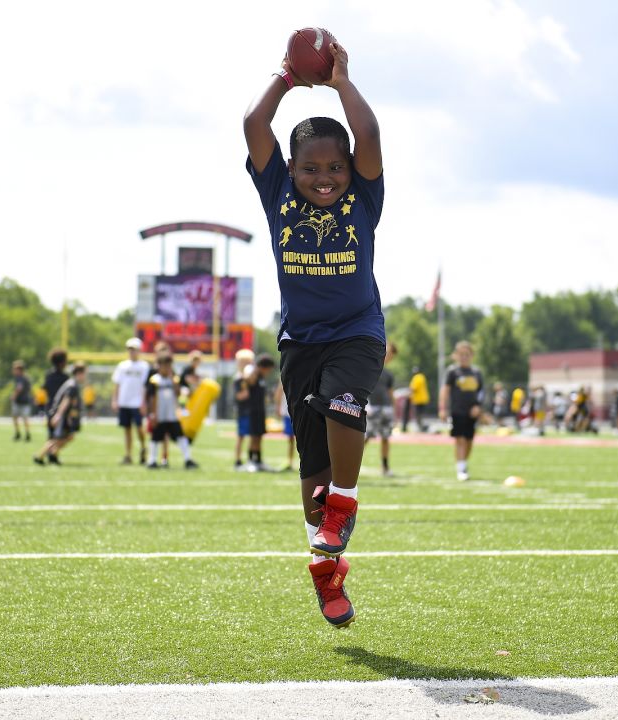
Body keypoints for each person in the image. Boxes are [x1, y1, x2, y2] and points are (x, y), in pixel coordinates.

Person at [245, 39, 385, 628]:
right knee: (312, 473)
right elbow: (254, 124)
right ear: (291, 170)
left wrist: (341, 84)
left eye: (334, 167)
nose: (323, 177)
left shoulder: (364, 195)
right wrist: (286, 77)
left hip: (356, 333)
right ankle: (327, 576)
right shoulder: (276, 191)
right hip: (299, 343)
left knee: (342, 403)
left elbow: (370, 139)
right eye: (311, 168)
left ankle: (346, 505)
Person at [440, 341, 484, 481]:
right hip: (457, 411)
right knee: (460, 440)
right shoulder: (453, 371)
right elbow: (445, 391)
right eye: (461, 354)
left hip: (472, 412)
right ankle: (461, 468)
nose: (464, 357)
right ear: (456, 355)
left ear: (472, 355)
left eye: (467, 354)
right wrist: (443, 408)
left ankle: (463, 463)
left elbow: (481, 392)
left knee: (469, 441)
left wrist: (478, 407)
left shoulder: (476, 372)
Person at [146, 352, 197, 469]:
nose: (168, 368)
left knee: (181, 436)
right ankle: (152, 460)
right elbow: (151, 398)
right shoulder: (155, 380)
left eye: (169, 366)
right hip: (160, 415)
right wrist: (153, 414)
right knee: (155, 438)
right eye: (165, 366)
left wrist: (175, 384)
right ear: (159, 366)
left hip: (172, 414)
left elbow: (178, 394)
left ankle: (187, 459)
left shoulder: (174, 379)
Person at [35, 363, 86, 465]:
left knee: (68, 437)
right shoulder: (72, 385)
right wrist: (58, 415)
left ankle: (53, 454)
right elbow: (66, 401)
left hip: (64, 416)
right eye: (84, 374)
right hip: (61, 416)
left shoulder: (73, 384)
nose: (85, 376)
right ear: (79, 373)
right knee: (58, 438)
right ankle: (39, 456)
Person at [112, 337, 151, 465]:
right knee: (127, 429)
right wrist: (115, 400)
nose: (132, 352)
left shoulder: (144, 366)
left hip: (137, 402)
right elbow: (117, 384)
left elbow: (145, 386)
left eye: (134, 349)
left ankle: (143, 448)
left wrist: (143, 402)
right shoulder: (122, 366)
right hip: (124, 401)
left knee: (139, 428)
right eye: (130, 349)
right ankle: (128, 455)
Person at [364, 341, 397, 477]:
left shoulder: (389, 374)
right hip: (372, 408)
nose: (387, 355)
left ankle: (385, 467)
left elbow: (390, 393)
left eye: (391, 354)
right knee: (365, 438)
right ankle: (351, 465)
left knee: (385, 438)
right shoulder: (369, 368)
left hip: (386, 409)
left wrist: (394, 410)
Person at [41, 348, 70, 463]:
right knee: (61, 435)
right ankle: (51, 454)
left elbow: (44, 389)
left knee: (51, 433)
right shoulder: (65, 377)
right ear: (62, 362)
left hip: (49, 407)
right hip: (60, 409)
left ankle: (51, 454)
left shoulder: (49, 375)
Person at [232, 348, 257, 469]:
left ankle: (250, 459)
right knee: (241, 436)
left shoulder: (249, 377)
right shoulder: (239, 379)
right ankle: (237, 460)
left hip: (251, 410)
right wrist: (246, 390)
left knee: (252, 435)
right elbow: (240, 396)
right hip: (243, 411)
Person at [274, 380, 296, 473]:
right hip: (288, 412)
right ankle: (290, 461)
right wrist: (278, 408)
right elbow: (279, 392)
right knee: (291, 439)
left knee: (295, 439)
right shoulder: (285, 374)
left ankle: (292, 461)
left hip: (296, 411)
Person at [10, 360, 34, 442]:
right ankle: (24, 434)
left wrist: (14, 396)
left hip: (21, 401)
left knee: (21, 418)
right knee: (22, 418)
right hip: (24, 401)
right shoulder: (26, 378)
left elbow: (19, 388)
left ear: (19, 370)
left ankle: (21, 434)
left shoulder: (20, 378)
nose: (13, 371)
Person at [406, 366, 430, 432]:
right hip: (423, 398)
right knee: (420, 414)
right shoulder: (422, 376)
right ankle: (421, 426)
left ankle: (420, 427)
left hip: (419, 399)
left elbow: (414, 388)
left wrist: (409, 394)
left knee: (418, 414)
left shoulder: (417, 377)